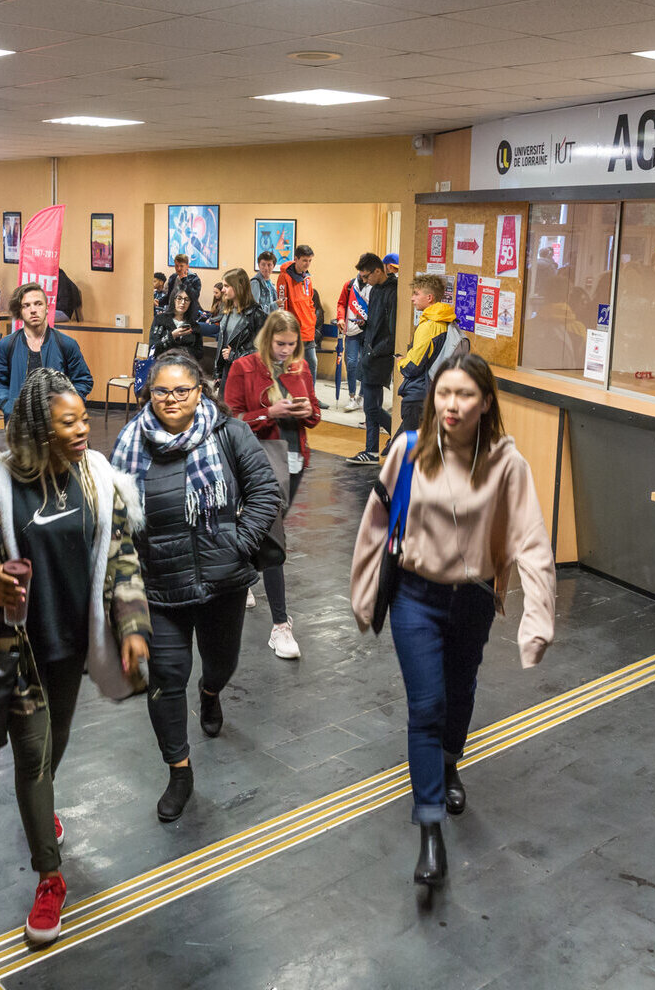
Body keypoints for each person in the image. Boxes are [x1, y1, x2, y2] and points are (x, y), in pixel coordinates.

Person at [0, 367, 150, 945]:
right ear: (39, 429)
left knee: (53, 748)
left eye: (85, 418)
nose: (85, 428)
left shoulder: (98, 479)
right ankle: (49, 876)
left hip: (72, 647)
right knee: (32, 757)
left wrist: (133, 628)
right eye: (70, 422)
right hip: (19, 651)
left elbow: (123, 560)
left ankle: (41, 813)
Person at [351, 354, 556, 888]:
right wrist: (363, 591)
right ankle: (430, 827)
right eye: (444, 393)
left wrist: (538, 618)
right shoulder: (407, 451)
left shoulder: (507, 464)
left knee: (460, 690)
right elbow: (376, 523)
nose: (451, 404)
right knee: (427, 705)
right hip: (415, 598)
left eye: (464, 394)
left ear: (486, 401)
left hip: (473, 599)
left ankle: (448, 763)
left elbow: (531, 542)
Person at [111, 352, 281, 823]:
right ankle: (179, 772)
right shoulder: (129, 443)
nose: (170, 400)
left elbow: (267, 492)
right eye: (161, 391)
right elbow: (115, 519)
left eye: (181, 390)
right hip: (158, 589)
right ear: (149, 393)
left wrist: (238, 546)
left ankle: (211, 692)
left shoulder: (229, 433)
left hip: (220, 584)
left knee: (220, 664)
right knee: (165, 681)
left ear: (199, 391)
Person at [224, 311, 320, 660]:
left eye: (292, 345)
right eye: (280, 344)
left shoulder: (300, 367)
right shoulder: (244, 367)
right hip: (260, 463)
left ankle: (246, 575)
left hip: (295, 459)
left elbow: (315, 415)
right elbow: (231, 419)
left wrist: (306, 410)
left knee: (266, 531)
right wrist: (268, 413)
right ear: (267, 339)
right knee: (275, 536)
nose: (286, 351)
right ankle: (281, 625)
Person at [0, 282, 93, 419]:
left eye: (38, 304)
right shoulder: (8, 345)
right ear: (20, 311)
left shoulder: (66, 344)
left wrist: (66, 406)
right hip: (19, 426)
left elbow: (83, 380)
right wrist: (8, 406)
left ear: (47, 307)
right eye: (26, 305)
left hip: (56, 425)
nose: (33, 310)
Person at [348, 254, 395, 467]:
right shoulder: (375, 289)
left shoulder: (393, 292)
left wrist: (375, 352)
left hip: (379, 356)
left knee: (372, 408)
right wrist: (365, 324)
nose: (364, 281)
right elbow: (377, 323)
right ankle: (372, 451)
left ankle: (398, 433)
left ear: (378, 271)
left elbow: (392, 332)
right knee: (370, 407)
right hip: (370, 353)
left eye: (367, 276)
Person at [396, 274, 456, 438]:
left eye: (416, 294)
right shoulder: (447, 322)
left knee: (407, 449)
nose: (412, 298)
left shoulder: (428, 327)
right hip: (435, 392)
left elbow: (412, 367)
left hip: (418, 394)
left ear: (429, 297)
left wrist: (401, 361)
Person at [215, 267, 265, 391]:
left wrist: (234, 355)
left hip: (246, 374)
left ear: (239, 287)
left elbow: (263, 351)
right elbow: (223, 344)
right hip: (228, 371)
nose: (222, 289)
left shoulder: (257, 314)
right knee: (223, 408)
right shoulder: (226, 311)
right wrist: (218, 372)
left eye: (226, 285)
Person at [276, 244, 318, 382]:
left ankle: (311, 397)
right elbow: (282, 306)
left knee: (312, 363)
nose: (307, 264)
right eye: (305, 260)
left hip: (308, 329)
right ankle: (292, 397)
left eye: (310, 261)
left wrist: (312, 319)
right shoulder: (285, 277)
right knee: (292, 367)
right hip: (294, 330)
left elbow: (310, 302)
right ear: (296, 259)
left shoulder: (307, 278)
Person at [336, 259, 373, 412]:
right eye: (362, 273)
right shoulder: (350, 285)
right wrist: (340, 317)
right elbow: (341, 303)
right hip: (351, 330)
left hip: (368, 330)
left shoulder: (374, 286)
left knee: (366, 363)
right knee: (351, 363)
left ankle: (361, 396)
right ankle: (352, 397)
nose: (364, 276)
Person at [149, 288, 203, 360]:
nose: (183, 302)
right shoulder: (160, 319)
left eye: (187, 299)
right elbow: (153, 348)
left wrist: (183, 352)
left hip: (185, 366)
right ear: (173, 300)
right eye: (179, 298)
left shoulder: (194, 326)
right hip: (163, 365)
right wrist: (172, 336)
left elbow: (199, 353)